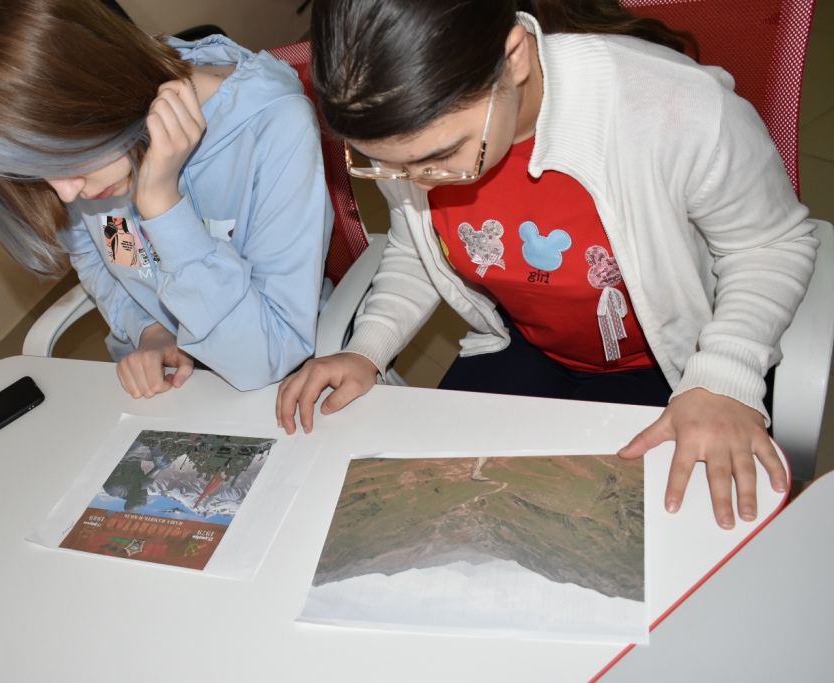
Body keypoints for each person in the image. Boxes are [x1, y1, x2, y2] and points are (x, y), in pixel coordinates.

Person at [276, 0, 818, 530]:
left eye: (440, 156)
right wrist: (367, 348)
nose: (418, 182)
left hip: (678, 364)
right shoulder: (410, 139)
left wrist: (723, 379)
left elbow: (771, 246)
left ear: (514, 57)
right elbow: (417, 248)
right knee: (434, 515)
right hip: (526, 345)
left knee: (652, 534)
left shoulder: (672, 106)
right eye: (385, 164)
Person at [0, 0, 333, 396]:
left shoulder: (274, 128)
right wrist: (149, 328)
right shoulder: (91, 162)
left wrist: (163, 207)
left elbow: (266, 358)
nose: (67, 192)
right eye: (38, 172)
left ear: (103, 90)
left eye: (64, 160)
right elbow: (103, 253)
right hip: (186, 391)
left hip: (280, 383)